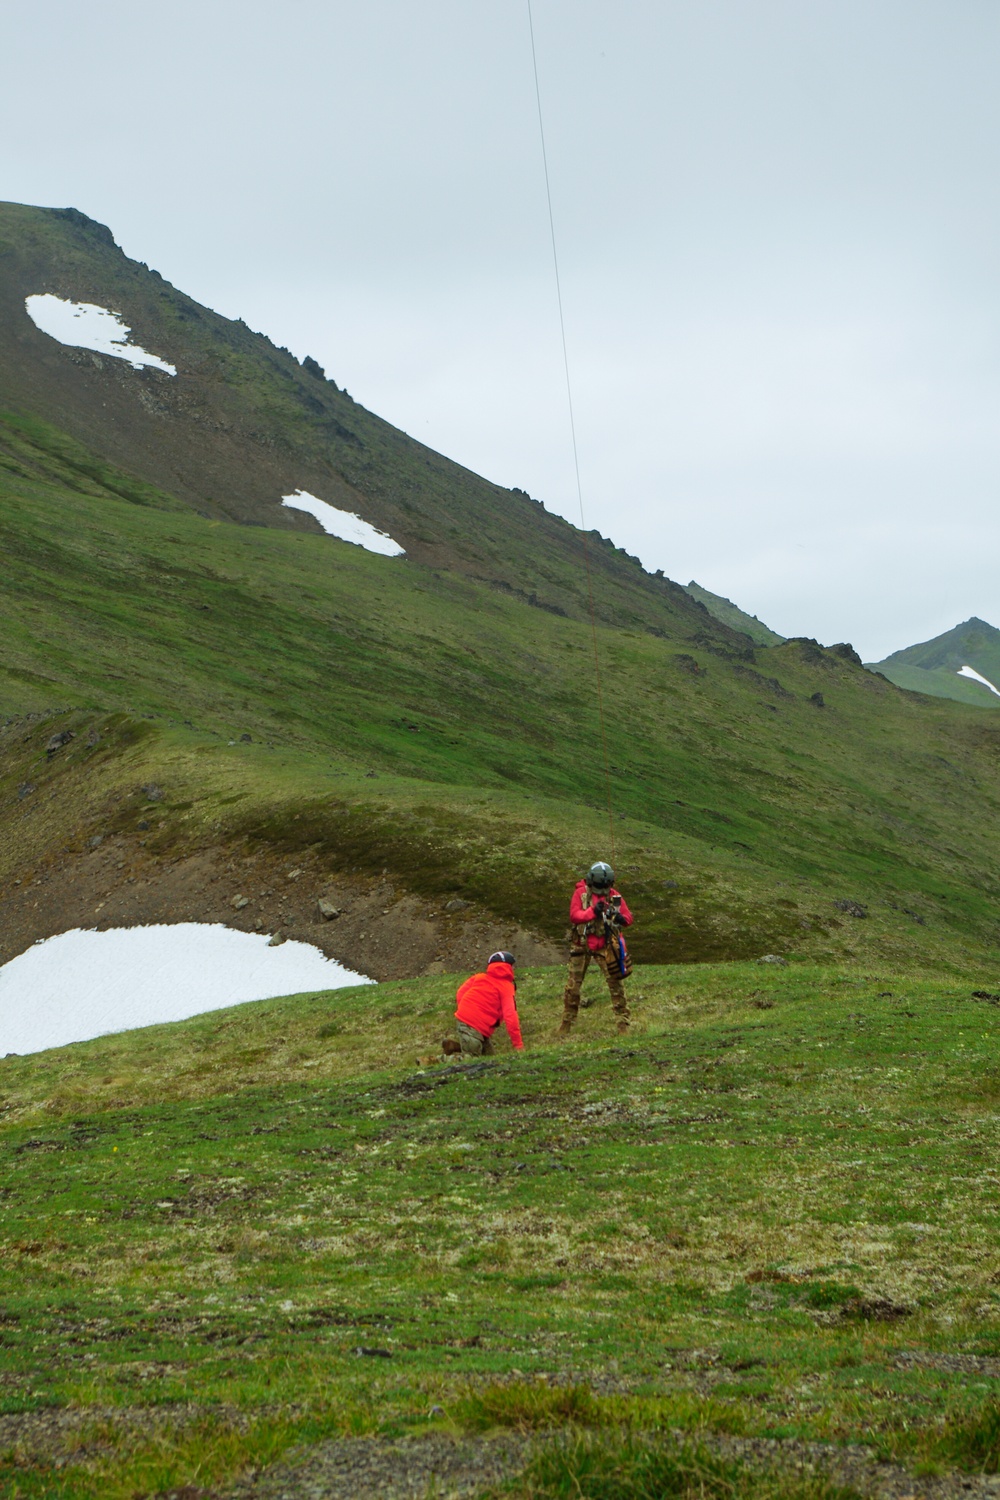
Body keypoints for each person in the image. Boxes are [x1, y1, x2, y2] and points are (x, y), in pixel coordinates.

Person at [559, 861, 633, 1035]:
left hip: (606, 946)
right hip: (581, 944)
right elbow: (574, 915)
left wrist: (622, 919)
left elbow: (628, 916)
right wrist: (592, 912)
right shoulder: (580, 894)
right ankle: (567, 1023)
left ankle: (623, 1024)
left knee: (616, 985)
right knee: (573, 987)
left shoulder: (615, 896)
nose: (603, 890)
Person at [453, 951, 523, 1056]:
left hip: (467, 1023)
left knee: (489, 1062)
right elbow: (510, 1015)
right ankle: (428, 1062)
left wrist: (467, 1012)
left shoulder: (479, 977)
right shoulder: (506, 987)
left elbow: (460, 993)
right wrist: (518, 1045)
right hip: (475, 1026)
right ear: (508, 967)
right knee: (471, 1061)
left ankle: (452, 1048)